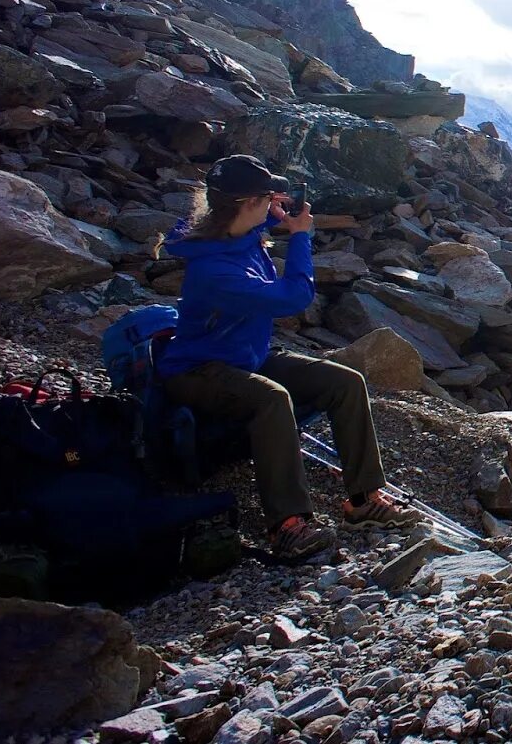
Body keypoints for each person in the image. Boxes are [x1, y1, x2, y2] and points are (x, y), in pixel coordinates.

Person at [156, 154, 418, 560]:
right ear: (247, 203)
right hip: (199, 369)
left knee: (345, 382)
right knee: (272, 398)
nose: (273, 202)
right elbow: (293, 297)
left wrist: (270, 218)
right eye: (266, 197)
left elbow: (241, 233)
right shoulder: (214, 271)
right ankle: (287, 525)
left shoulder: (228, 235)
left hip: (246, 357)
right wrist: (300, 237)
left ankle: (364, 498)